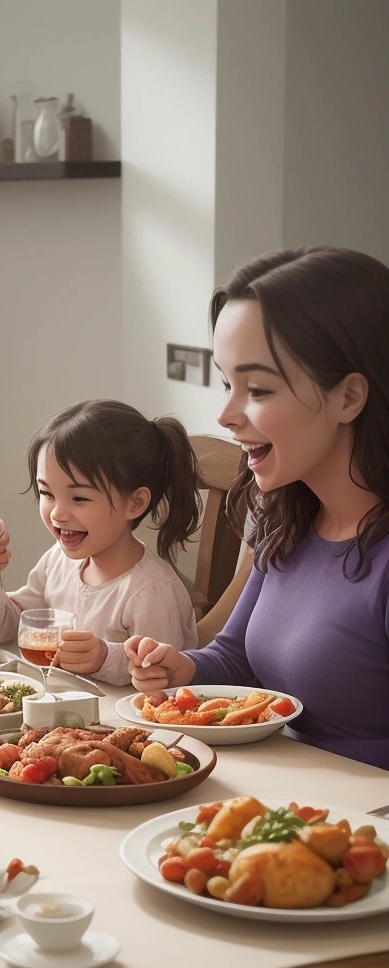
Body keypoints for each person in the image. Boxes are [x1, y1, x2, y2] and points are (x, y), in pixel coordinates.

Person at [125, 245, 389, 770]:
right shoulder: (284, 517)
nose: (226, 414)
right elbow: (236, 659)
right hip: (274, 806)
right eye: (228, 384)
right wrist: (180, 670)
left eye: (259, 389)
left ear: (349, 397)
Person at [0, 399, 200, 686]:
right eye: (46, 493)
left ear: (136, 503)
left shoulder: (152, 591)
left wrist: (104, 658)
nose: (57, 513)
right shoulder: (58, 561)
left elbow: (164, 680)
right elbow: (4, 628)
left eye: (79, 498)